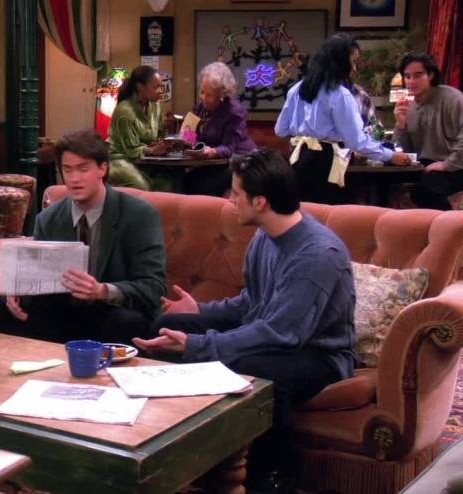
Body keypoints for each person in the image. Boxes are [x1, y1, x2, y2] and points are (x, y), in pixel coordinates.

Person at [134, 148, 356, 491]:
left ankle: (273, 476)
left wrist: (198, 345)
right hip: (276, 332)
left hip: (318, 353)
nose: (229, 200)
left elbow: (281, 333)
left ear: (260, 202)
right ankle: (179, 457)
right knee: (169, 326)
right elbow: (252, 303)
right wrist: (200, 312)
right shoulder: (265, 236)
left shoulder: (315, 254)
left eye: (236, 193)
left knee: (254, 369)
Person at [0, 129, 167, 344]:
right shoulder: (48, 219)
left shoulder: (139, 214)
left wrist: (102, 291)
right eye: (68, 170)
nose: (74, 179)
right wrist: (19, 290)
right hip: (66, 311)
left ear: (102, 168)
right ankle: (39, 362)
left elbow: (154, 287)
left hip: (113, 310)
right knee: (0, 307)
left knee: (125, 322)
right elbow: (40, 279)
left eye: (83, 169)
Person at [275, 33, 411, 204]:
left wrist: (305, 133)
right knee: (329, 213)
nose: (354, 69)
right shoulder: (340, 94)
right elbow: (356, 142)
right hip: (326, 162)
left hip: (298, 159)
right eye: (353, 62)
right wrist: (390, 156)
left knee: (305, 210)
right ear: (339, 63)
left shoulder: (296, 89)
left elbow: (280, 130)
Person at [394, 53, 463, 210]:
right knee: (382, 183)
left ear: (430, 75)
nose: (411, 81)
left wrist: (447, 165)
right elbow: (404, 151)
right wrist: (401, 125)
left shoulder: (453, 99)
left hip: (457, 165)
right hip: (424, 165)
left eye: (418, 75)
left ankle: (453, 224)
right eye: (407, 76)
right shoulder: (409, 105)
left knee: (424, 192)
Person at [185, 61, 256, 197]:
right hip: (210, 162)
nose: (203, 98)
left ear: (222, 96)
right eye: (202, 92)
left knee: (200, 185)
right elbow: (190, 131)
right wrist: (187, 141)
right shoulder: (200, 106)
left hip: (236, 162)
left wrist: (211, 152)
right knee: (182, 178)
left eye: (209, 95)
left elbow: (228, 148)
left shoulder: (234, 112)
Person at [107, 65, 167, 190]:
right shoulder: (125, 111)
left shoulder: (155, 105)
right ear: (140, 87)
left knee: (169, 180)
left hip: (145, 158)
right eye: (156, 87)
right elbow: (131, 150)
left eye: (161, 86)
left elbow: (158, 133)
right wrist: (151, 150)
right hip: (120, 158)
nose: (160, 91)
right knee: (142, 186)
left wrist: (161, 142)